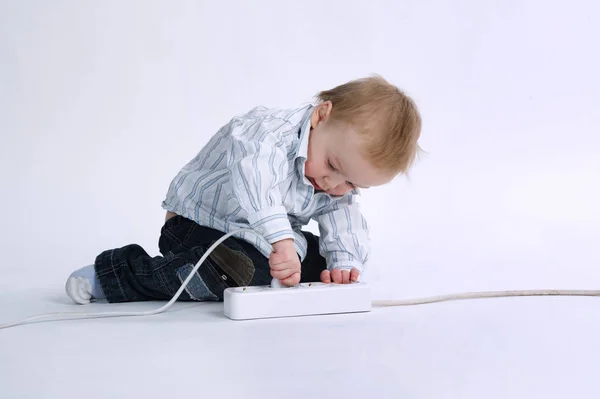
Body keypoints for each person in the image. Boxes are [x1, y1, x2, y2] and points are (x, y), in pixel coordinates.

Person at [65, 75, 422, 304]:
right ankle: (117, 273)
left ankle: (290, 267)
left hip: (259, 239)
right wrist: (282, 242)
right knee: (244, 273)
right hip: (201, 227)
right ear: (320, 116)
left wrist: (344, 261)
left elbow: (343, 214)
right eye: (332, 166)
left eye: (352, 184)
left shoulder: (336, 182)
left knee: (321, 263)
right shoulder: (265, 133)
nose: (333, 185)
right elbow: (257, 185)